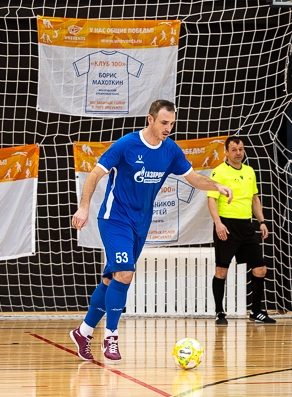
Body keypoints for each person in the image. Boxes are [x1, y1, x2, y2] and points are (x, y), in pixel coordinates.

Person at [70, 99, 233, 361]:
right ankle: (111, 337)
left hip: (140, 224)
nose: (168, 128)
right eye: (164, 122)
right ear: (150, 119)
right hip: (114, 219)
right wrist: (84, 207)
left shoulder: (170, 151)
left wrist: (217, 186)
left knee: (111, 280)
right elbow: (94, 174)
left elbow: (193, 178)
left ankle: (84, 332)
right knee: (125, 274)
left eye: (172, 124)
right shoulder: (126, 144)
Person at [206, 136, 276, 325]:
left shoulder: (249, 171)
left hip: (247, 226)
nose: (238, 153)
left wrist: (262, 221)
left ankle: (256, 311)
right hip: (227, 226)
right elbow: (211, 200)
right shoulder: (219, 172)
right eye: (234, 150)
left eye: (241, 149)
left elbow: (254, 199)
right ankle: (219, 312)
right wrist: (218, 223)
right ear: (226, 152)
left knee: (260, 268)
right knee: (221, 270)